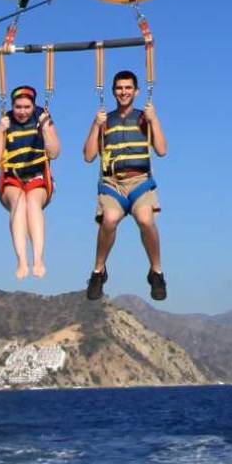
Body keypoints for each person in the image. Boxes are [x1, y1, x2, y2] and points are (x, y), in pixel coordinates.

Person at [82, 70, 168, 301]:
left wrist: (154, 119)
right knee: (109, 220)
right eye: (119, 88)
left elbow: (161, 150)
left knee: (145, 220)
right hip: (112, 183)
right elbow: (89, 156)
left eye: (128, 88)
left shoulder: (144, 118)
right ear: (113, 92)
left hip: (139, 181)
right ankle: (99, 271)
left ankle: (156, 272)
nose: (124, 92)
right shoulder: (105, 120)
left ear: (136, 91)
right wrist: (95, 125)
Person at [0, 85, 60, 280]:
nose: (22, 111)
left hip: (38, 178)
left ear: (33, 105)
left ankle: (38, 258)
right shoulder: (5, 122)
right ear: (12, 106)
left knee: (32, 202)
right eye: (18, 107)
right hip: (11, 179)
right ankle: (21, 259)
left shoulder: (43, 119)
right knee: (19, 204)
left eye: (27, 107)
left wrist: (45, 129)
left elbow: (54, 152)